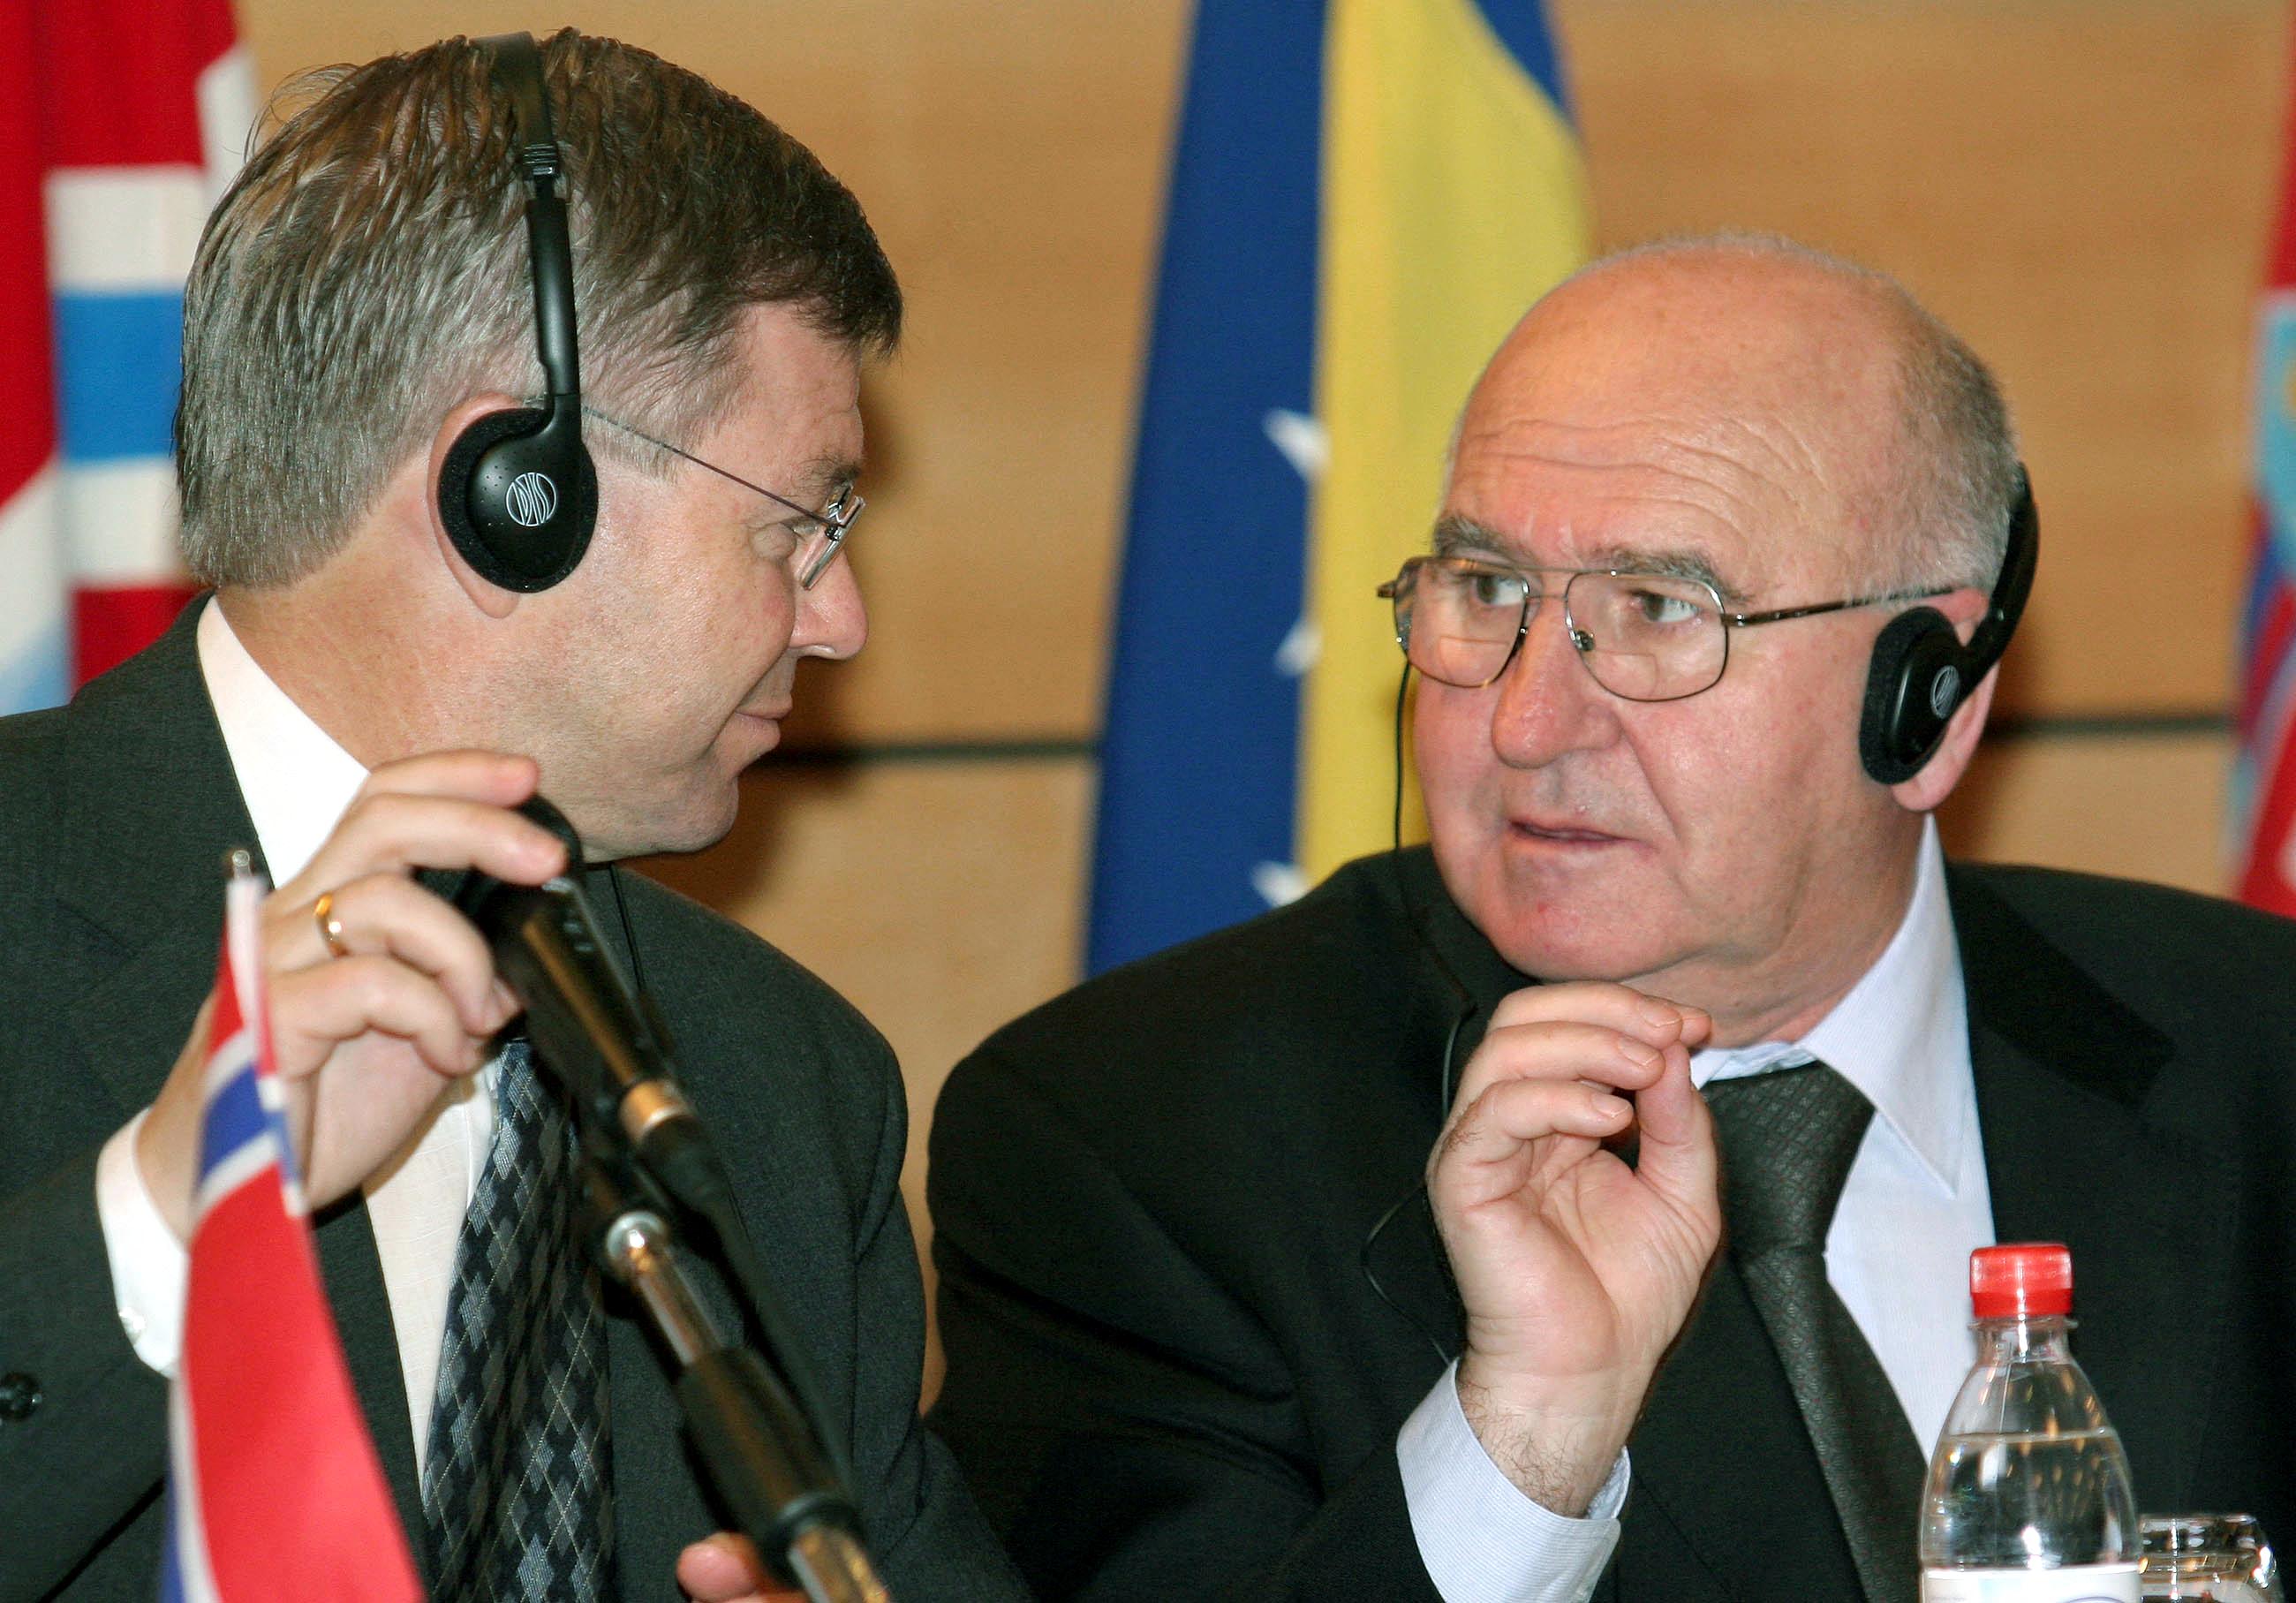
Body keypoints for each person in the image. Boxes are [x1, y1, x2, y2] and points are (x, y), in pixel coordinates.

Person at [926, 235, 2296, 1600]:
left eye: (1655, 610)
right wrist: (1521, 1448)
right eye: (1484, 592)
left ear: (1926, 703)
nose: (1524, 724)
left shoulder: (2260, 1052)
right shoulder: (1130, 1150)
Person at [0, 30, 1022, 1602]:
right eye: (800, 524)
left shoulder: (786, 1086)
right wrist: (161, 1216)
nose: (842, 623)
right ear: (515, 490)